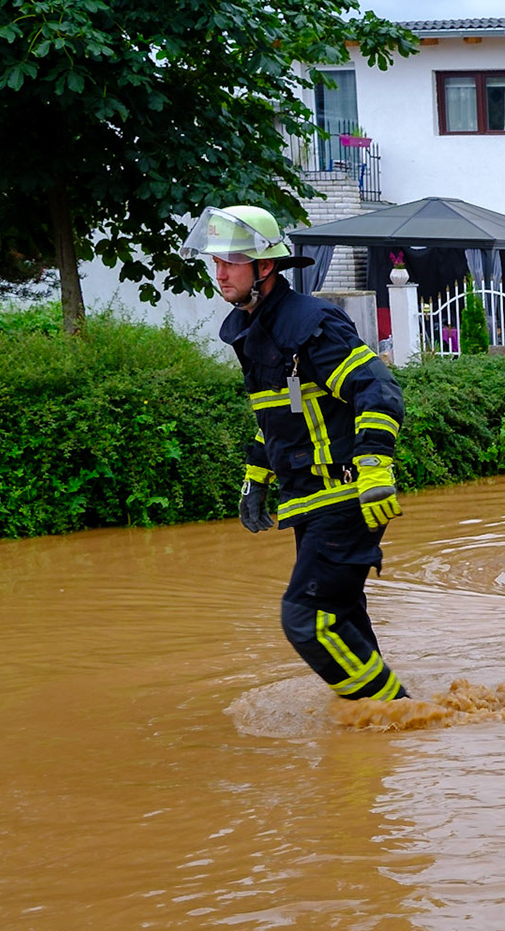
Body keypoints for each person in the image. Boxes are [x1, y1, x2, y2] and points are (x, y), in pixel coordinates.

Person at [184, 205, 410, 702]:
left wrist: (375, 466)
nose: (219, 273)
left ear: (265, 267)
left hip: (347, 494)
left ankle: (393, 714)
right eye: (214, 262)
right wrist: (256, 479)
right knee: (340, 616)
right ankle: (378, 745)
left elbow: (378, 389)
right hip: (310, 500)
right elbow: (280, 418)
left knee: (307, 620)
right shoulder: (257, 329)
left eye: (231, 262)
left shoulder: (310, 323)